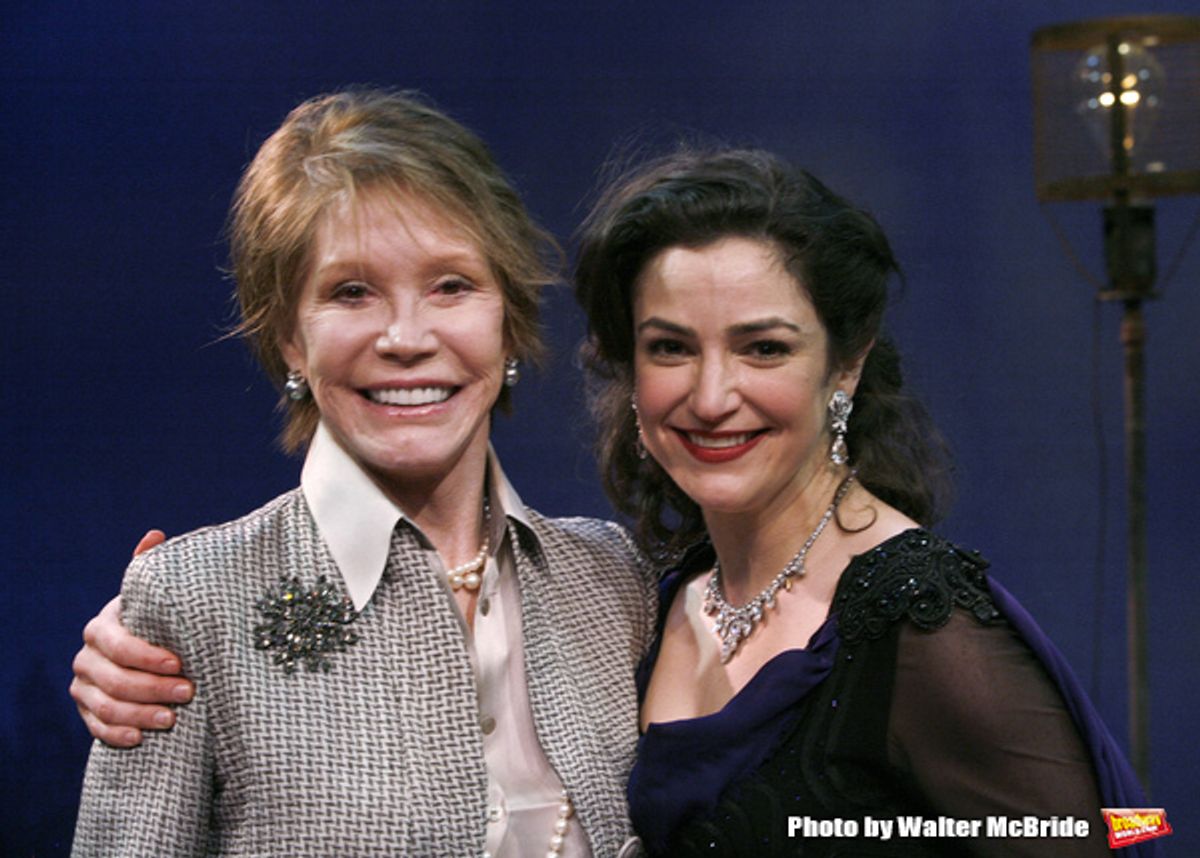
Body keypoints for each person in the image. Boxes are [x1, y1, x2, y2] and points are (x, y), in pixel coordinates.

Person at [71, 88, 653, 857]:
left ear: (506, 320)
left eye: (451, 285)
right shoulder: (189, 605)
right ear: (288, 339)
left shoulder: (617, 581)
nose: (406, 337)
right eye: (352, 292)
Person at [572, 148, 1154, 856]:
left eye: (763, 348)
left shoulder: (918, 624)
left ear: (845, 366)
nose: (711, 396)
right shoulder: (665, 602)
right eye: (670, 348)